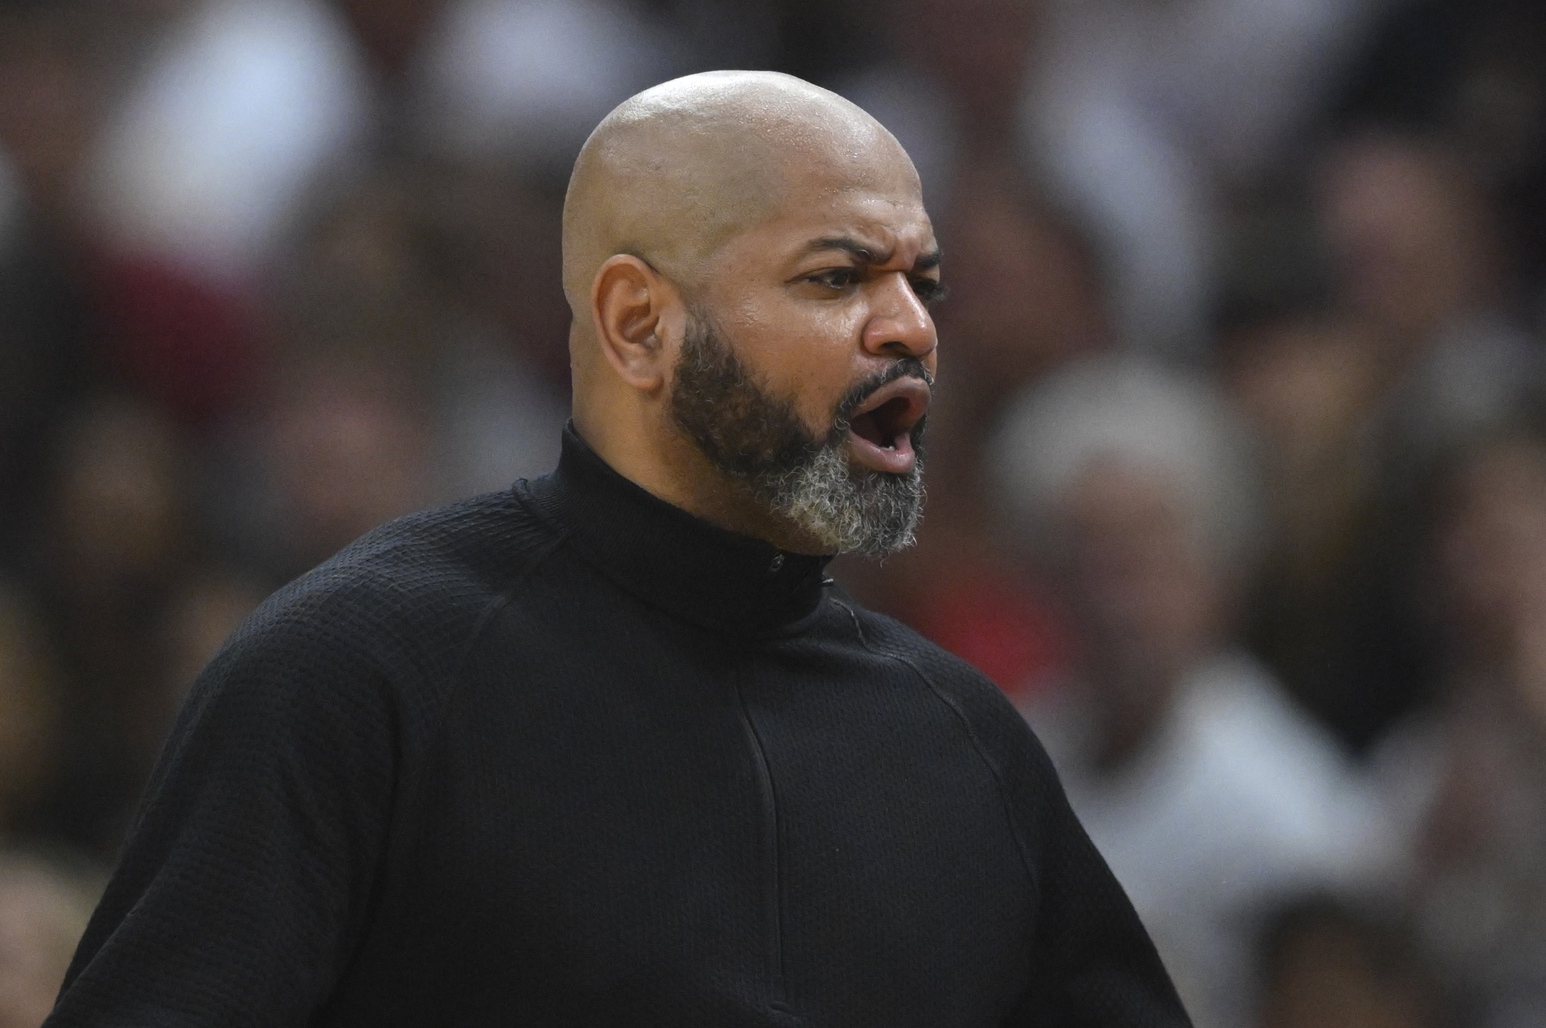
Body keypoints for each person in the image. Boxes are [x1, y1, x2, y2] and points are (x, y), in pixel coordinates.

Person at [43, 71, 1190, 1027]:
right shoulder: (354, 673)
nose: (912, 330)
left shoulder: (962, 742)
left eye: (918, 285)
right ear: (640, 324)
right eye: (837, 278)